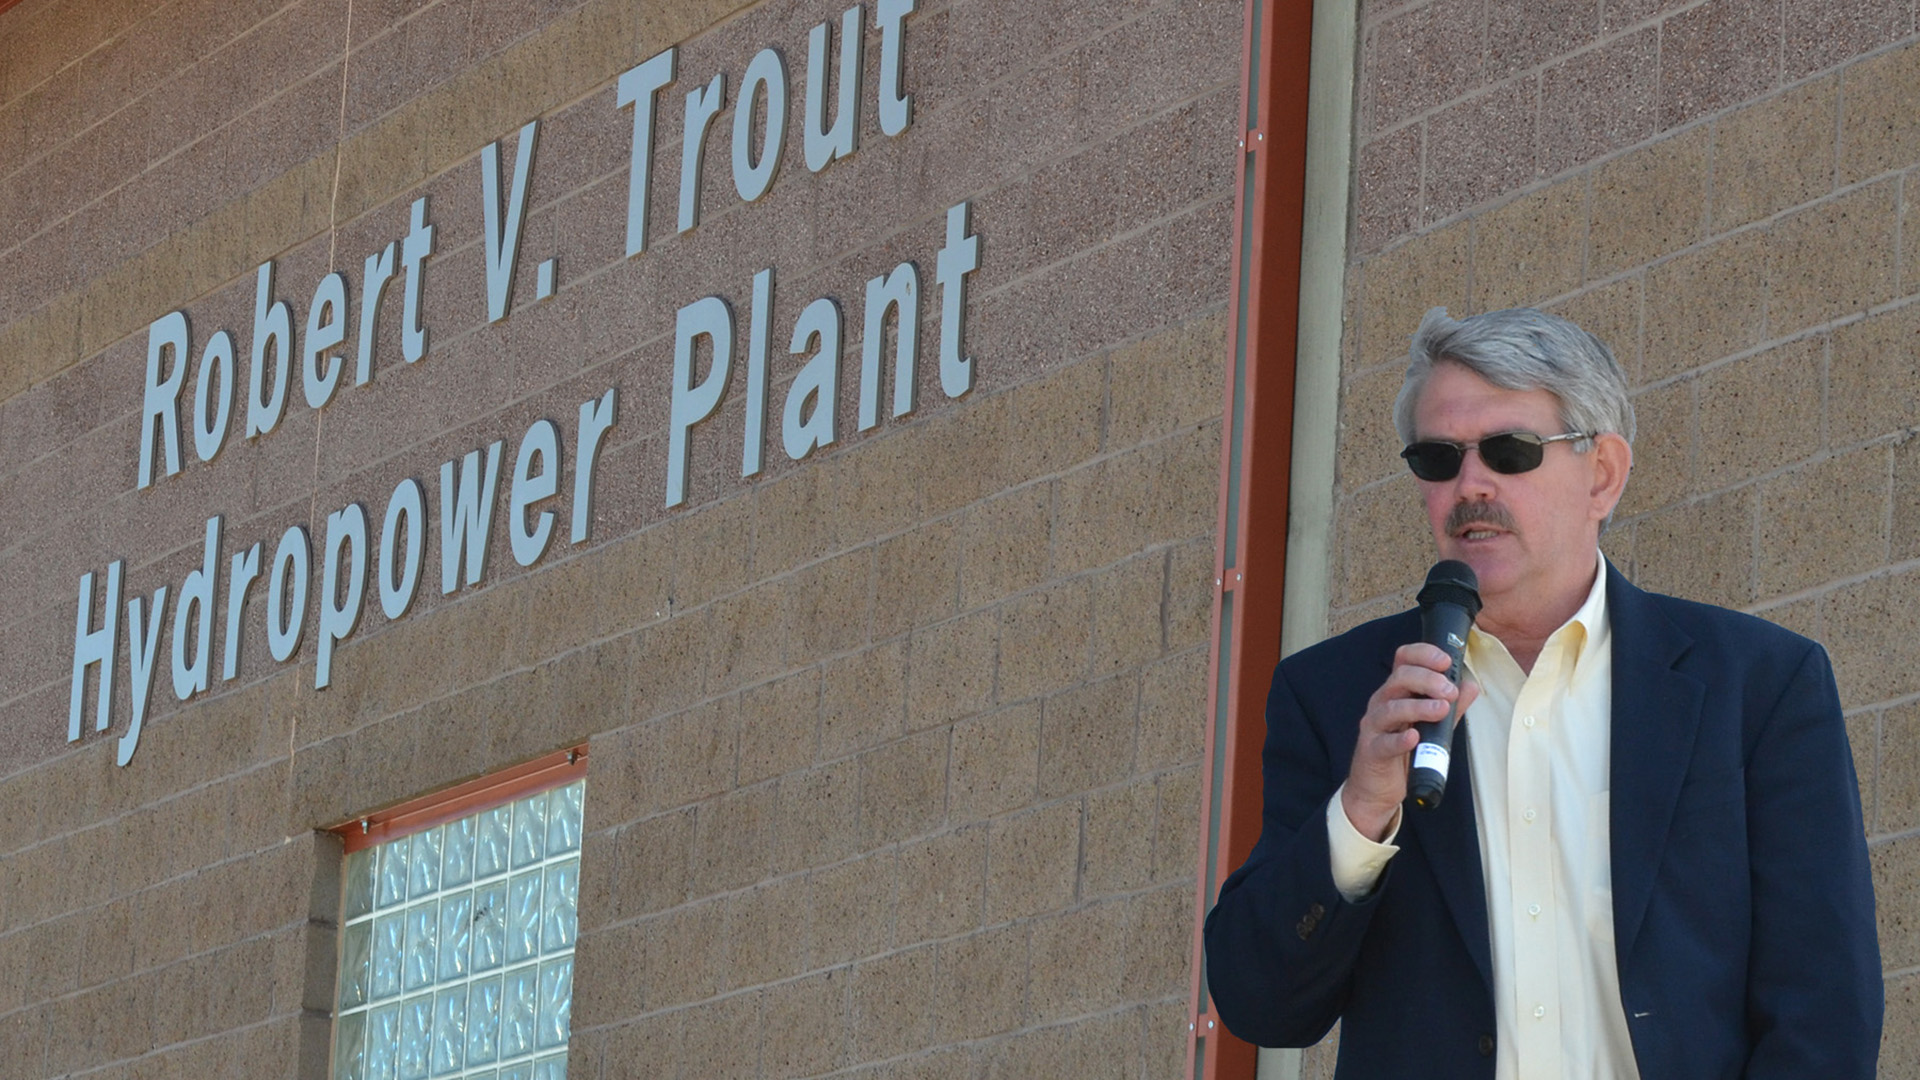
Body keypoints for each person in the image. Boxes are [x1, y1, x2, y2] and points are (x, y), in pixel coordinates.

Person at [1203, 307, 1881, 1079]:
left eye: (1510, 450)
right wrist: (1360, 812)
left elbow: (1825, 1008)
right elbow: (1259, 1003)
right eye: (1438, 458)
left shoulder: (1756, 686)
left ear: (1603, 474)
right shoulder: (1339, 697)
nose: (1471, 486)